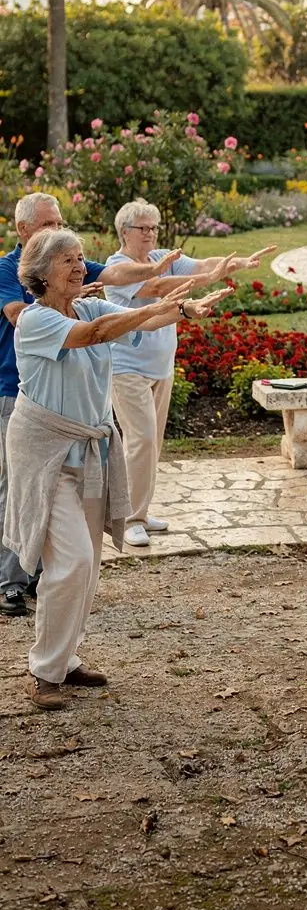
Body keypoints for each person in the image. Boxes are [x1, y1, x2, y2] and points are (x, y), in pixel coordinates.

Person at [2, 227, 230, 710]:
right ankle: (44, 671)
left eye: (80, 257)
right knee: (72, 560)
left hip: (88, 449)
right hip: (46, 452)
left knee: (87, 563)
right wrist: (154, 308)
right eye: (67, 259)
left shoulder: (87, 306)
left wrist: (184, 310)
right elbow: (98, 335)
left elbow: (131, 322)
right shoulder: (36, 321)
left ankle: (65, 659)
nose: (79, 266)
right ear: (40, 273)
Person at [0, 193, 184, 618]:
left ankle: (47, 587)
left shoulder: (80, 293)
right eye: (48, 224)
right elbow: (38, 319)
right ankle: (12, 582)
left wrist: (175, 299)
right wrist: (151, 303)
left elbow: (115, 281)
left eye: (60, 222)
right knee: (20, 497)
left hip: (80, 430)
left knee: (75, 552)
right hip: (21, 400)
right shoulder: (20, 287)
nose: (79, 265)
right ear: (24, 231)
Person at [105, 201, 277, 547]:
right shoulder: (118, 268)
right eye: (143, 228)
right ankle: (127, 520)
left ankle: (140, 512)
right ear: (125, 231)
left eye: (154, 227)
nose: (151, 234)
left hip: (160, 367)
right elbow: (157, 288)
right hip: (126, 368)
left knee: (151, 444)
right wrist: (207, 279)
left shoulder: (163, 257)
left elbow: (204, 264)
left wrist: (237, 263)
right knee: (141, 441)